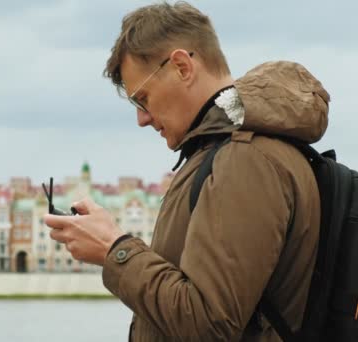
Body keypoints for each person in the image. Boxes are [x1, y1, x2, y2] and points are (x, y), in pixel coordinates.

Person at [44, 1, 330, 341]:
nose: (142, 119)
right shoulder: (223, 152)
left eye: (143, 98)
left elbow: (208, 324)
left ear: (181, 66)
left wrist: (114, 249)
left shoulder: (245, 158)